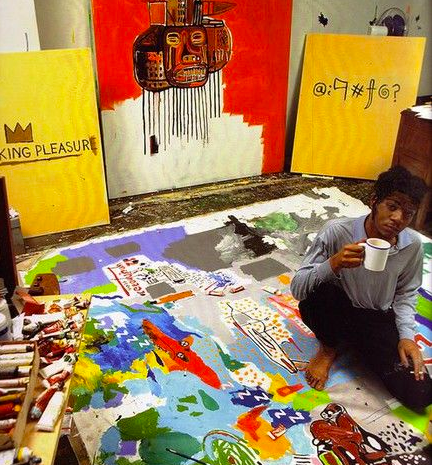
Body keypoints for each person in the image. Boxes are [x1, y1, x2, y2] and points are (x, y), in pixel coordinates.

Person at [290, 165, 431, 412]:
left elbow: (406, 293)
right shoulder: (337, 231)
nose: (398, 218)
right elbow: (298, 290)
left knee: (420, 394)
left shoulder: (411, 246)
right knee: (318, 292)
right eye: (392, 206)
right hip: (337, 308)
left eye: (408, 213)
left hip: (376, 317)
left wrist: (407, 336)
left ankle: (358, 344)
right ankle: (328, 349)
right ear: (374, 201)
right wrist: (333, 263)